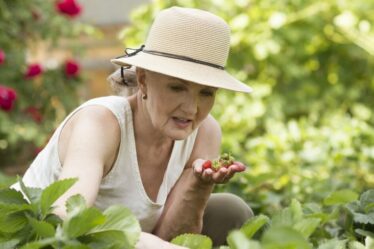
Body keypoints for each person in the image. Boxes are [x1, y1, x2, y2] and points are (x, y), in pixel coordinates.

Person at [13, 6, 254, 248]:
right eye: (177, 88)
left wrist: (198, 184)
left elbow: (174, 237)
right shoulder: (100, 123)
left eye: (206, 93)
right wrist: (143, 241)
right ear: (143, 80)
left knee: (230, 210)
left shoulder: (205, 132)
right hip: (37, 239)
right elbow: (65, 220)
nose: (192, 109)